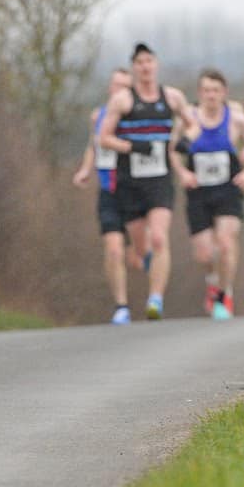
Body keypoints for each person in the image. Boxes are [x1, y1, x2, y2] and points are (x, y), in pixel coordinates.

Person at [98, 43, 198, 321]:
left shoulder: (173, 97)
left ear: (156, 65)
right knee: (141, 248)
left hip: (159, 180)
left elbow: (193, 123)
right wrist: (131, 147)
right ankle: (148, 268)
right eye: (140, 62)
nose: (145, 67)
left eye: (149, 61)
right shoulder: (122, 101)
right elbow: (104, 138)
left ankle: (155, 299)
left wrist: (186, 140)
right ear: (134, 68)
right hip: (130, 181)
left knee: (158, 237)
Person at [171, 69, 244, 320]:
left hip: (228, 188)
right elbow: (171, 150)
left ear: (224, 93)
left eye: (216, 90)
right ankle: (213, 279)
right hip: (198, 190)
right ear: (199, 93)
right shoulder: (188, 120)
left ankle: (224, 295)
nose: (211, 95)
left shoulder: (236, 120)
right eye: (206, 90)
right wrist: (182, 173)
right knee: (204, 253)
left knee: (225, 243)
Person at [72, 68, 153, 325]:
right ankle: (121, 306)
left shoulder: (134, 118)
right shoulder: (98, 116)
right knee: (114, 249)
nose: (119, 91)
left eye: (125, 87)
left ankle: (152, 274)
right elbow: (93, 146)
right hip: (108, 192)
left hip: (134, 191)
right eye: (116, 85)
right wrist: (85, 170)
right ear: (110, 88)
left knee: (140, 256)